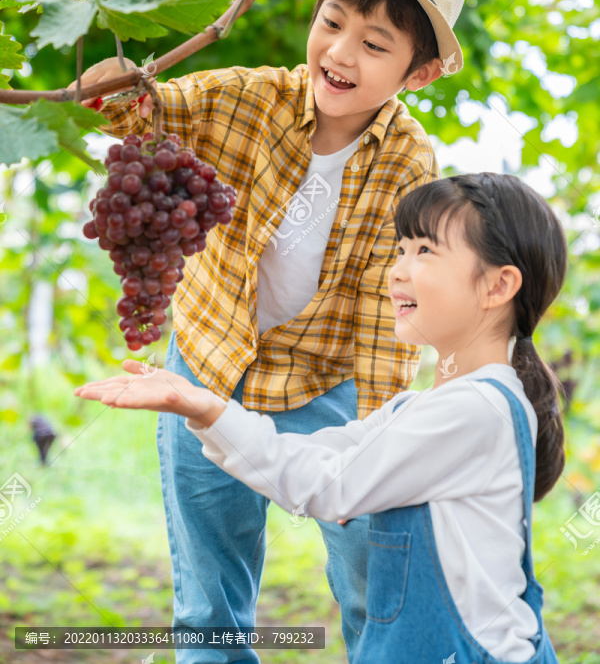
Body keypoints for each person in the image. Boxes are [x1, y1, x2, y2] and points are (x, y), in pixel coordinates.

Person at [70, 0, 467, 663]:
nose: (340, 54)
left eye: (375, 45)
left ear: (421, 73)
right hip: (209, 365)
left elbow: (388, 313)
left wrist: (380, 448)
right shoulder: (249, 98)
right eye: (333, 23)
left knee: (372, 579)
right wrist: (116, 81)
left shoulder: (412, 164)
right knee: (210, 604)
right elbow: (149, 110)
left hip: (329, 389)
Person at [76, 172, 566, 664]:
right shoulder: (421, 407)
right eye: (400, 250)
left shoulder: (472, 412)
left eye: (425, 252)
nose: (397, 271)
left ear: (499, 285)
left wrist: (206, 408)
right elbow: (322, 452)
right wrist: (204, 406)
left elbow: (329, 486)